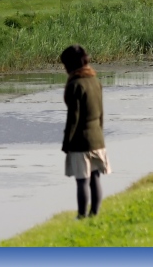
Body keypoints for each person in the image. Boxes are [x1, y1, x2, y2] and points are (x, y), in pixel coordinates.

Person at [60, 44, 111, 219]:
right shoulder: (96, 81)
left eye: (65, 64)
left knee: (82, 180)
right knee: (95, 177)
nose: (65, 68)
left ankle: (81, 216)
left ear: (71, 64)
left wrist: (66, 143)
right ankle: (94, 214)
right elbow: (101, 113)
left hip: (80, 141)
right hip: (97, 138)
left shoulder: (75, 85)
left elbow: (73, 118)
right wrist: (100, 135)